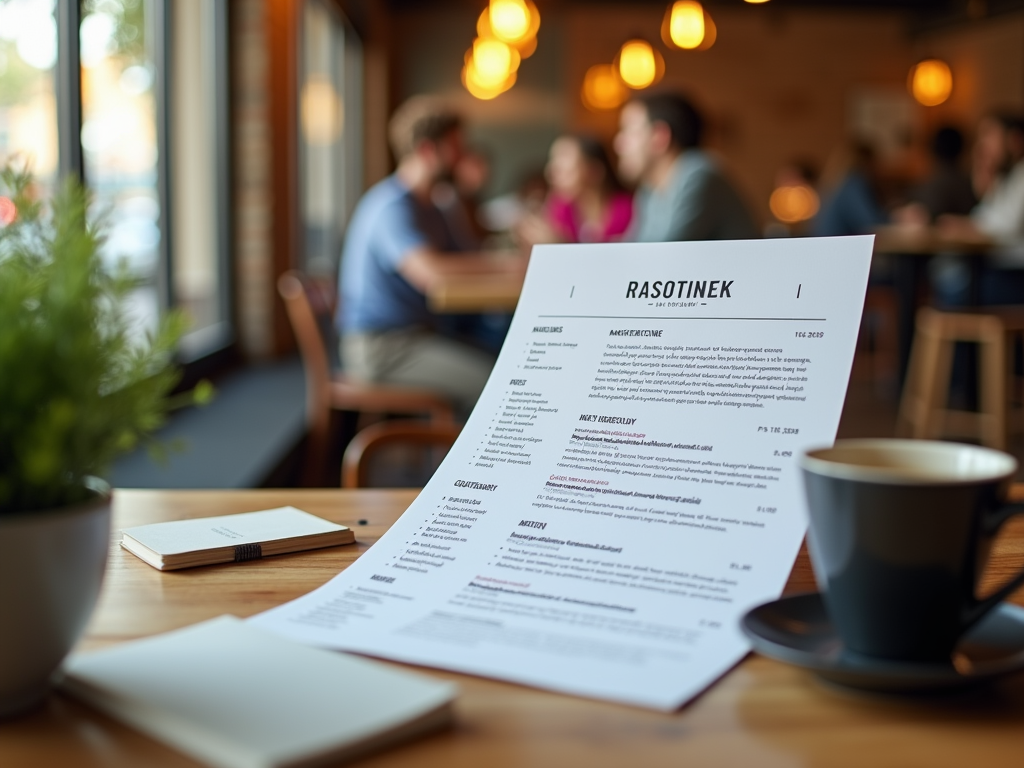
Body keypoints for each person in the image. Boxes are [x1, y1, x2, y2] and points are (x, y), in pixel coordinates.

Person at [337, 97, 498, 416]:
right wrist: (508, 264)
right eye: (456, 148)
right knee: (496, 384)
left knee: (506, 358)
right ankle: (463, 464)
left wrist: (457, 202)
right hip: (382, 347)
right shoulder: (391, 206)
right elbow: (432, 274)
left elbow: (470, 259)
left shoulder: (435, 206)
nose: (463, 157)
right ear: (428, 150)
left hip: (418, 335)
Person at [613, 92, 757, 242]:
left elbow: (668, 253)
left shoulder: (698, 175)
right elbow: (635, 248)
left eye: (628, 131)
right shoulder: (649, 191)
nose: (618, 144)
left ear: (660, 137)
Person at [516, 135, 632, 245]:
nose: (550, 175)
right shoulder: (561, 207)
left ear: (594, 171)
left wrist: (560, 244)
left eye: (563, 170)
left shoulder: (628, 210)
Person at [811, 141, 887, 237]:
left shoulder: (836, 183)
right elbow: (868, 223)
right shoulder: (852, 185)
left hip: (828, 244)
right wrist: (893, 219)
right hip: (838, 247)